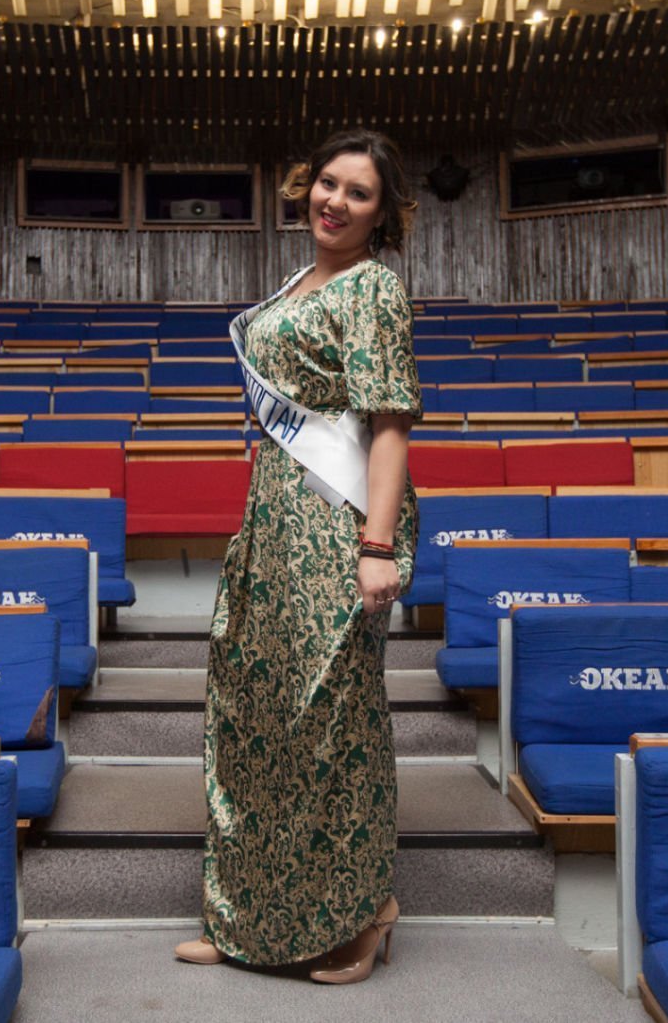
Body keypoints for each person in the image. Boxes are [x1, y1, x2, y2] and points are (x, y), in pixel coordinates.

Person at [176, 130, 422, 984]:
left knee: (331, 720)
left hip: (337, 525)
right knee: (255, 710)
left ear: (383, 213)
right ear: (304, 186)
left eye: (359, 192)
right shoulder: (294, 287)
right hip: (273, 520)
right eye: (327, 183)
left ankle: (360, 912)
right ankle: (248, 919)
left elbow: (387, 424)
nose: (336, 201)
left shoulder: (373, 287)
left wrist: (376, 545)